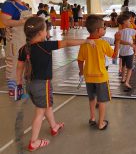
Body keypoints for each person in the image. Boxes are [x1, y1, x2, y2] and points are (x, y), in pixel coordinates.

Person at [16, 17, 95, 152]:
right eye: (46, 30)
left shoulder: (23, 49)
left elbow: (19, 68)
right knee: (40, 112)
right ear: (41, 33)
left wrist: (18, 84)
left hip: (30, 85)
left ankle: (54, 126)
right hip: (42, 85)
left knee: (46, 105)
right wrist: (86, 41)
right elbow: (67, 42)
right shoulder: (45, 46)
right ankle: (33, 142)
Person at [77, 15, 120, 129]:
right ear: (97, 30)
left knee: (92, 98)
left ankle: (92, 118)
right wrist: (118, 42)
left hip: (88, 77)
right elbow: (115, 55)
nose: (104, 29)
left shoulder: (85, 43)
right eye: (103, 27)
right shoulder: (103, 43)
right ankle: (101, 123)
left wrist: (81, 72)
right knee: (102, 101)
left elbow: (80, 60)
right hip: (101, 78)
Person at [0, 0, 32, 97]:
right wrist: (22, 21)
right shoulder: (9, 4)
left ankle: (20, 90)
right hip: (15, 40)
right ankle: (13, 91)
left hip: (25, 39)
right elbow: (5, 21)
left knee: (24, 65)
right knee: (14, 65)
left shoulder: (23, 4)